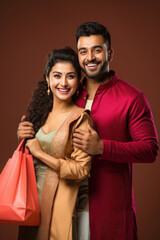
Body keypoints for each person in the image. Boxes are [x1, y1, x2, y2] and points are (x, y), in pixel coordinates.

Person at [18, 22, 159, 240]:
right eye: (83, 51)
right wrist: (27, 132)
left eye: (97, 50)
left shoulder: (132, 98)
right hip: (63, 207)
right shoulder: (69, 92)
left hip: (108, 208)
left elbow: (150, 149)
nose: (90, 57)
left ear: (109, 53)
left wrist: (102, 147)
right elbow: (46, 135)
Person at [17, 47, 92, 240]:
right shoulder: (38, 114)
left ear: (78, 81)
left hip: (61, 206)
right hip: (31, 203)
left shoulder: (80, 118)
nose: (63, 83)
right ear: (48, 79)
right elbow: (25, 162)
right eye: (57, 75)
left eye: (70, 76)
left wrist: (41, 154)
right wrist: (22, 140)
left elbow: (81, 170)